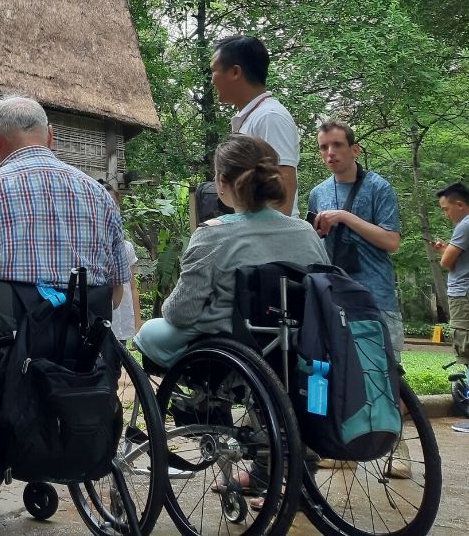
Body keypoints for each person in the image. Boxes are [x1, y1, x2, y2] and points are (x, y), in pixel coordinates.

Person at [0, 95, 128, 328]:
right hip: (81, 349)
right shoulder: (100, 195)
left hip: (0, 346)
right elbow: (115, 296)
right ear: (50, 135)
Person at [135, 135, 327, 368]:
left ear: (221, 182)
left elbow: (181, 314)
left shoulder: (213, 234)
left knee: (149, 331)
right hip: (299, 345)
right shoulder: (306, 231)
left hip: (232, 347)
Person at [308, 120, 403, 351]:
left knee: (384, 371)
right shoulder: (317, 194)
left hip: (376, 297)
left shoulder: (378, 187)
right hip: (334, 297)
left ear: (355, 149)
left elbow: (392, 241)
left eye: (337, 145)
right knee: (342, 374)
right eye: (324, 147)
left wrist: (344, 216)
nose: (330, 153)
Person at [210, 35, 301, 215]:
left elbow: (285, 181)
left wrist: (268, 240)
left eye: (214, 70)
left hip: (270, 239)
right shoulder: (252, 116)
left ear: (235, 72)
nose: (212, 80)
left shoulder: (270, 117)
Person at [431, 183, 469, 421]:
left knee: (467, 349)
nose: (446, 214)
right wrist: (446, 250)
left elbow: (446, 263)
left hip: (463, 296)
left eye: (446, 209)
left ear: (460, 204)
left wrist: (445, 253)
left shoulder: (464, 225)